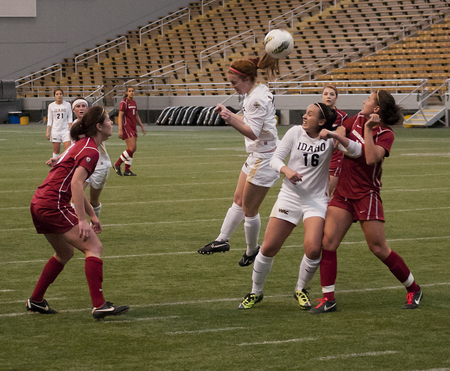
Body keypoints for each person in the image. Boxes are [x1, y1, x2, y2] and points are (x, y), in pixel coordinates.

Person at [238, 103, 362, 309]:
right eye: (305, 112)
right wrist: (286, 170)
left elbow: (357, 151)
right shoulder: (295, 132)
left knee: (314, 248)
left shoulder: (329, 139)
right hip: (290, 196)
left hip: (315, 201)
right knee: (268, 247)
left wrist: (336, 136)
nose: (304, 116)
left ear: (322, 122)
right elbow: (275, 159)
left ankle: (300, 289)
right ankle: (255, 292)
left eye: (310, 114)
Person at [310, 90, 423, 314]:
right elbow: (343, 130)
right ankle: (328, 299)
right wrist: (336, 134)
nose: (364, 101)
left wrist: (369, 131)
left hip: (366, 194)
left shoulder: (386, 133)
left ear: (377, 109)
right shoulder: (357, 118)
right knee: (328, 243)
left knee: (378, 248)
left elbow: (370, 158)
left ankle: (414, 288)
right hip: (343, 192)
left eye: (368, 99)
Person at [27, 106, 129, 319]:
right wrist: (82, 220)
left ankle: (36, 300)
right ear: (99, 126)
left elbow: (76, 185)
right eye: (109, 120)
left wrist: (92, 215)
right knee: (94, 246)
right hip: (52, 204)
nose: (112, 123)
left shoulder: (83, 145)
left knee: (65, 253)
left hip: (39, 202)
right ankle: (99, 305)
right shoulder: (90, 150)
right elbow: (76, 183)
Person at [197, 54, 281, 266]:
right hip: (258, 155)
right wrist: (231, 114)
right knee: (238, 199)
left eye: (234, 83)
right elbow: (250, 122)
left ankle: (252, 250)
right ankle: (221, 240)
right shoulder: (255, 93)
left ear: (246, 79)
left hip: (264, 157)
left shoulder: (256, 99)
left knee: (249, 209)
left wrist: (228, 118)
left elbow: (252, 132)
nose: (232, 87)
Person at [46, 98, 111, 218]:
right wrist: (60, 158)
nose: (81, 108)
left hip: (100, 165)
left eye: (83, 106)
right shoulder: (74, 126)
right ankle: (78, 228)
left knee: (93, 201)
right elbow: (73, 147)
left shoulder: (96, 123)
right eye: (78, 106)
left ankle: (93, 224)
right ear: (73, 110)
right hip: (84, 165)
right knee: (75, 198)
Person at [322, 85, 348, 197]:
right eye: (326, 94)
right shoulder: (317, 114)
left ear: (336, 98)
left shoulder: (343, 117)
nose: (328, 97)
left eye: (332, 94)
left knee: (325, 194)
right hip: (319, 156)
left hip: (335, 158)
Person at [113, 86, 146, 176]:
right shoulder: (124, 102)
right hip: (126, 126)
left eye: (133, 91)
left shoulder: (134, 102)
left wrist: (142, 126)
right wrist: (120, 130)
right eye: (129, 91)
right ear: (127, 92)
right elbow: (120, 116)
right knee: (131, 148)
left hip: (133, 126)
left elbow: (136, 115)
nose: (131, 92)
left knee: (133, 149)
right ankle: (117, 164)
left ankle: (127, 170)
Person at [46, 88, 73, 158]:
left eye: (60, 94)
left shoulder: (67, 105)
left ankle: (67, 166)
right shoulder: (51, 106)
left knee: (68, 150)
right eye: (57, 94)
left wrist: (71, 130)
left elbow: (70, 118)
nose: (59, 96)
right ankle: (55, 166)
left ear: (63, 95)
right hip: (55, 130)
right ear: (54, 96)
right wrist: (47, 131)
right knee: (56, 150)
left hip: (65, 130)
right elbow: (50, 119)